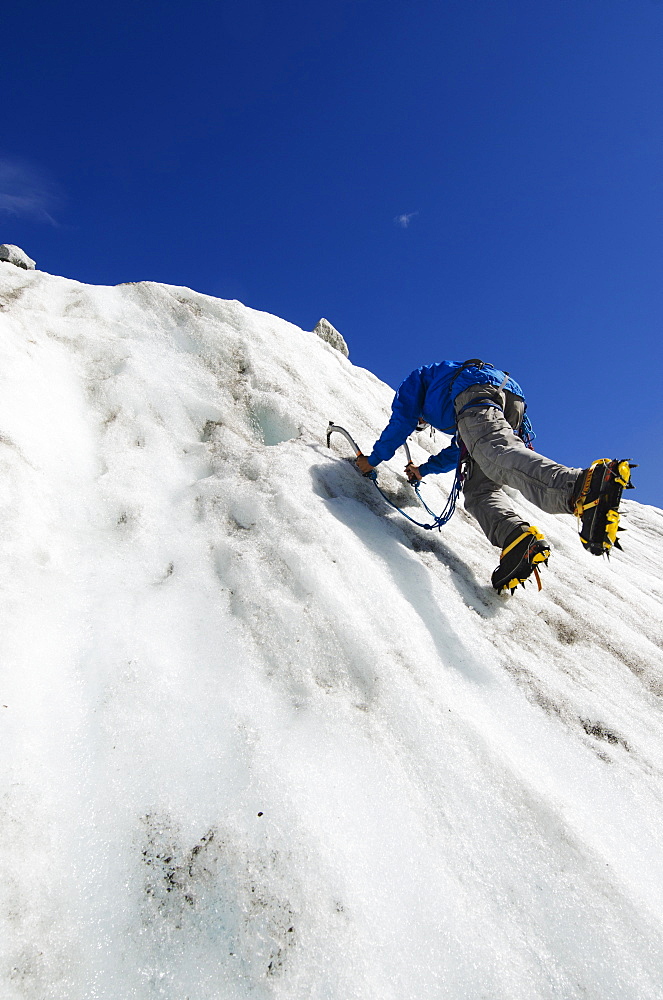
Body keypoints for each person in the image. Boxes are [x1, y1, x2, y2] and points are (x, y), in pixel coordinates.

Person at [355, 359, 633, 593]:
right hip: (505, 397)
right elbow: (459, 451)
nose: (421, 423)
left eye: (420, 423)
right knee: (479, 492)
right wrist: (422, 470)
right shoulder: (454, 411)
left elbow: (400, 423)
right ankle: (517, 539)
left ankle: (580, 486)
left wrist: (372, 460)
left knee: (497, 453)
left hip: (476, 389)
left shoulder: (414, 383)